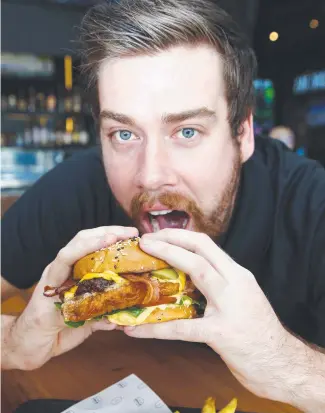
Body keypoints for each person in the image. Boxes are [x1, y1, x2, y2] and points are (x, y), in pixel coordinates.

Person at [1, 0, 325, 411]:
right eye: (123, 134)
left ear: (243, 133)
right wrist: (14, 343)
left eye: (187, 131)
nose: (150, 176)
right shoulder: (82, 184)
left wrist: (286, 364)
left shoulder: (312, 207)